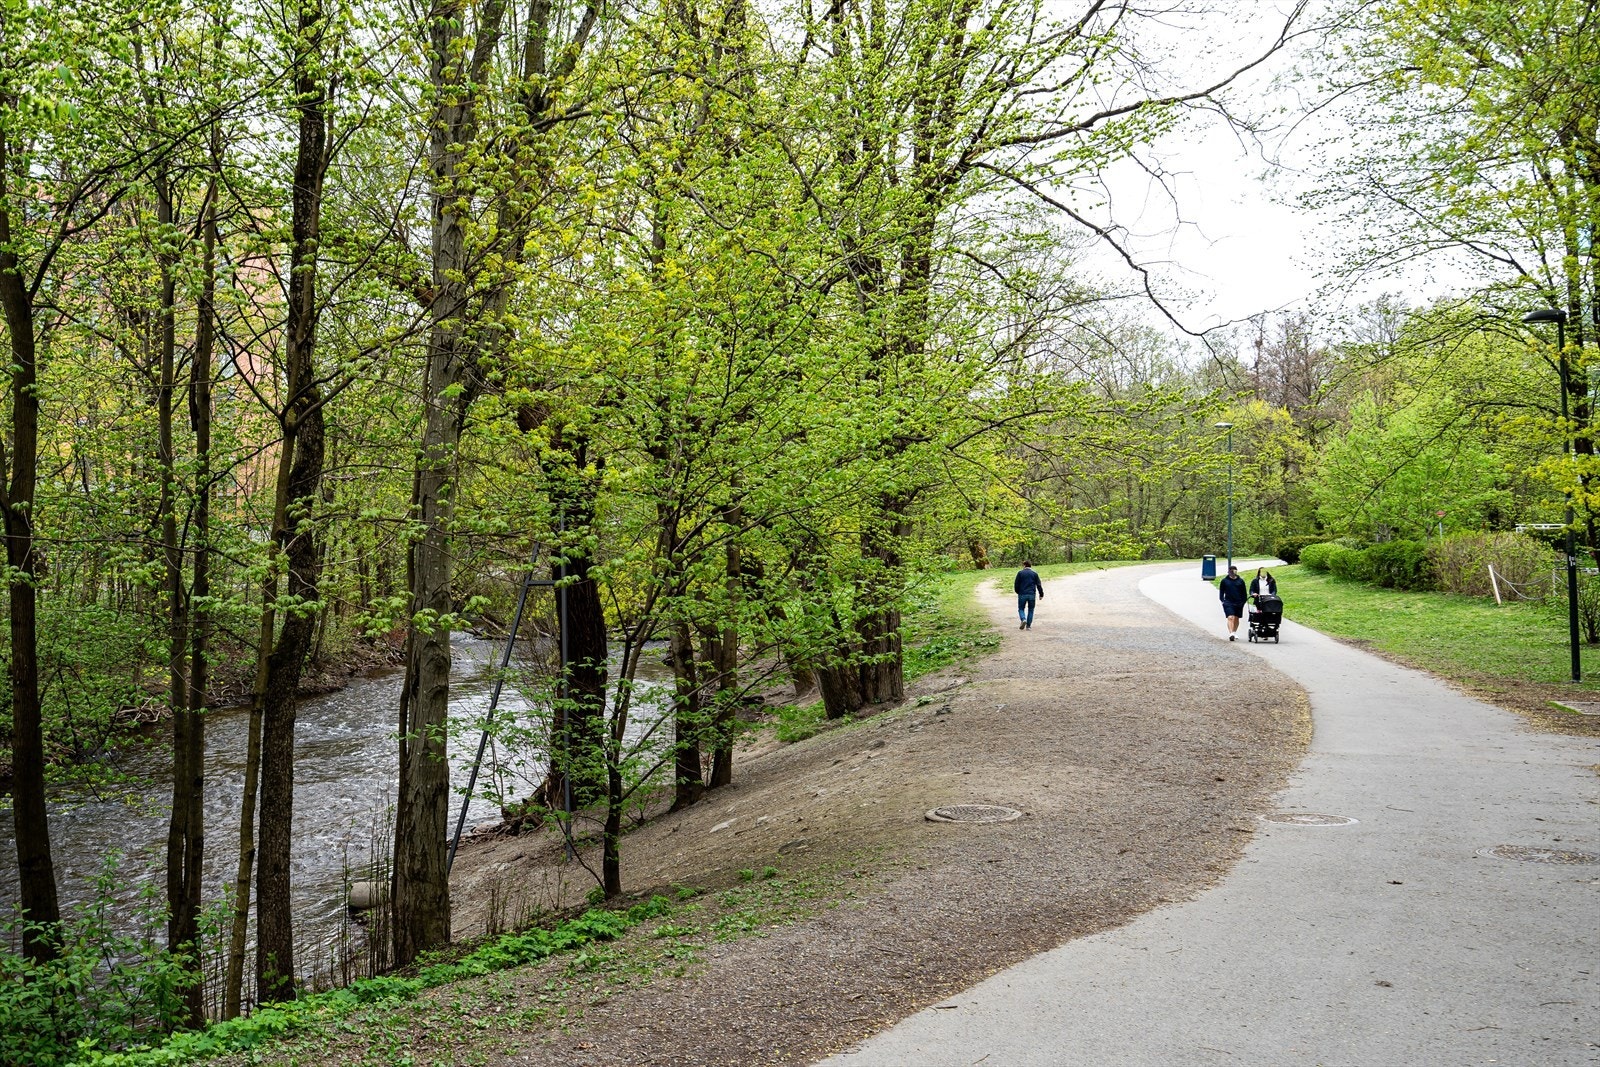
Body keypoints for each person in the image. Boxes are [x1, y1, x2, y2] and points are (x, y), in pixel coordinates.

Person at [1218, 564, 1247, 641]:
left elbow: (1244, 593)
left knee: (1236, 618)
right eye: (1231, 571)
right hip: (1228, 602)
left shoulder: (1240, 581)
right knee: (1230, 617)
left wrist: (1243, 602)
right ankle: (1231, 633)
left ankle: (1234, 632)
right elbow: (1221, 592)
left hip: (1239, 602)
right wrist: (1222, 601)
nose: (1232, 572)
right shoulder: (1224, 581)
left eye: (1234, 571)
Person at [1014, 560, 1044, 630]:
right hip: (1032, 594)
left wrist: (1018, 592)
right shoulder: (1034, 574)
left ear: (1024, 565)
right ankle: (1028, 626)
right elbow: (1039, 585)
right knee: (1031, 609)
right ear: (1030, 565)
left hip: (1022, 594)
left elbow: (1016, 584)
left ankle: (1023, 619)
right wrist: (1041, 594)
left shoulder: (1020, 573)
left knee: (1021, 608)